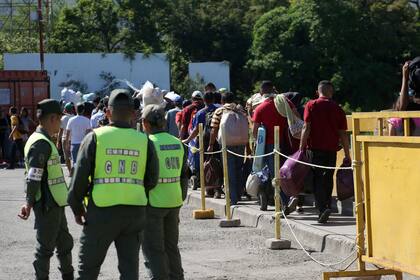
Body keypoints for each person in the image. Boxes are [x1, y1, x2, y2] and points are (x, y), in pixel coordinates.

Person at [67, 89, 159, 279]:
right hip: (134, 213)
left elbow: (79, 177)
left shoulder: (95, 137)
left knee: (88, 270)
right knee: (129, 271)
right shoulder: (144, 141)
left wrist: (77, 208)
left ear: (107, 112)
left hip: (101, 212)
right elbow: (152, 179)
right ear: (133, 114)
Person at [18, 99, 74, 280]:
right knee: (45, 249)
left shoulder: (45, 140)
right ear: (52, 118)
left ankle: (68, 276)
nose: (61, 123)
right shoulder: (40, 143)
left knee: (64, 243)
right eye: (60, 119)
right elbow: (33, 176)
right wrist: (28, 203)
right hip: (47, 204)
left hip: (56, 202)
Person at [141, 104, 188, 280]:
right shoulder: (177, 143)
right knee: (171, 247)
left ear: (145, 123)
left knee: (154, 249)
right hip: (174, 200)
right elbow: (184, 175)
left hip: (153, 202)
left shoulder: (147, 144)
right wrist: (181, 196)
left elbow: (146, 177)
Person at [299, 80, 350, 223]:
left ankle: (322, 209)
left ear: (317, 92)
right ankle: (327, 205)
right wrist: (347, 154)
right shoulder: (338, 109)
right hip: (332, 150)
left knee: (317, 180)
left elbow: (306, 127)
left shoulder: (311, 105)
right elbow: (343, 134)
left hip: (314, 149)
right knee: (327, 178)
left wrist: (301, 148)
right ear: (331, 92)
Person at [252, 81, 299, 213]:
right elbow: (297, 117)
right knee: (287, 172)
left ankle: (286, 202)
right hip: (288, 142)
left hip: (270, 146)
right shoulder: (285, 102)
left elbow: (255, 131)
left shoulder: (260, 108)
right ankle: (290, 197)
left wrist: (257, 144)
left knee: (275, 175)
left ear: (261, 93)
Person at [208, 91, 248, 205]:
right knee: (238, 169)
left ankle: (233, 198)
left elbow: (214, 129)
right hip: (241, 143)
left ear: (222, 101)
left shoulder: (220, 111)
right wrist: (248, 147)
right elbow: (246, 128)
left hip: (227, 144)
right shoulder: (240, 110)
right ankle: (239, 194)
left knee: (229, 170)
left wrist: (211, 145)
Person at [183, 92, 219, 193]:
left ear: (204, 100)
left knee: (204, 163)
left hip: (204, 140)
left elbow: (196, 130)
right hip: (218, 140)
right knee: (217, 162)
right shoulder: (218, 110)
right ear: (213, 99)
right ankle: (217, 188)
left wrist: (188, 139)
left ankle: (207, 187)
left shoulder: (200, 113)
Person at [65, 103, 91, 170]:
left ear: (76, 110)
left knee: (74, 163)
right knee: (83, 163)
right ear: (83, 110)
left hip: (74, 144)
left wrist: (67, 144)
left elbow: (67, 133)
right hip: (83, 144)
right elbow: (88, 134)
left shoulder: (71, 120)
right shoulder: (87, 120)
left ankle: (75, 177)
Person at [57, 103, 75, 174]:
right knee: (73, 156)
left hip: (65, 139)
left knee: (66, 156)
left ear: (65, 110)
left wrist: (58, 141)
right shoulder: (74, 117)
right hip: (73, 139)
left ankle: (70, 171)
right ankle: (73, 171)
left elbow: (60, 131)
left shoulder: (63, 118)